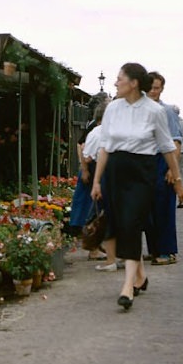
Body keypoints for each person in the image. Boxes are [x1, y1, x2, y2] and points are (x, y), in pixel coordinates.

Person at [91, 62, 183, 311]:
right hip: (115, 171)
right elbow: (105, 147)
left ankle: (127, 287)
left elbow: (167, 147)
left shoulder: (155, 111)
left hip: (142, 173)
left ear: (133, 83)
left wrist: (177, 181)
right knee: (123, 225)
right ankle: (141, 276)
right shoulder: (112, 109)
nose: (115, 82)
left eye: (119, 78)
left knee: (132, 223)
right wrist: (97, 181)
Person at [146, 72, 182, 265]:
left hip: (162, 161)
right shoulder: (143, 110)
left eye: (157, 88)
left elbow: (176, 141)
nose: (153, 91)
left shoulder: (166, 111)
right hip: (146, 162)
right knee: (149, 209)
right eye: (150, 87)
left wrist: (172, 169)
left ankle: (168, 251)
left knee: (164, 207)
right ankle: (154, 249)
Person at [80, 101, 119, 272]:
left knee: (99, 213)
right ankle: (97, 249)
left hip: (103, 172)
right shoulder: (106, 132)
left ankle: (99, 249)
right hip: (110, 173)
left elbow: (86, 155)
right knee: (104, 214)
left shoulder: (96, 132)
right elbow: (87, 156)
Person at [69, 94, 108, 260]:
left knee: (97, 210)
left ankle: (97, 245)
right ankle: (93, 246)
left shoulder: (98, 129)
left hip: (96, 171)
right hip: (94, 171)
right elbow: (84, 150)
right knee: (94, 211)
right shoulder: (96, 130)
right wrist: (85, 169)